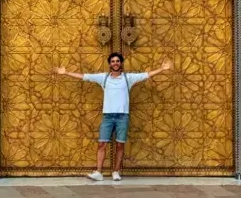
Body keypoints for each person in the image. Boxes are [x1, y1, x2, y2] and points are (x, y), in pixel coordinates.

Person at [54, 52, 172, 182]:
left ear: (121, 63)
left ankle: (116, 171)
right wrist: (66, 73)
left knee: (120, 145)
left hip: (122, 116)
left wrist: (162, 69)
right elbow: (85, 76)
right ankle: (98, 172)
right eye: (113, 61)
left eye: (117, 61)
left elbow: (146, 75)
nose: (115, 63)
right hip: (108, 117)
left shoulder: (128, 78)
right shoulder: (104, 78)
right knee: (101, 144)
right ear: (109, 64)